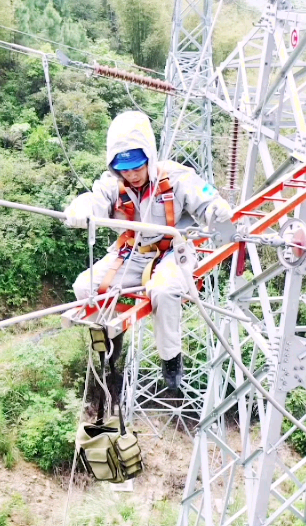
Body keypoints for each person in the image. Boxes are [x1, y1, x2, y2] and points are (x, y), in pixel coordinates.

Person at [63, 111, 232, 393]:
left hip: (172, 252)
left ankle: (171, 358)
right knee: (84, 287)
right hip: (132, 253)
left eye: (137, 167)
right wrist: (80, 210)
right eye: (125, 169)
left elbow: (206, 199)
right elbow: (92, 201)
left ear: (149, 158)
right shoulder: (112, 184)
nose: (132, 175)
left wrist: (218, 211)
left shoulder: (176, 177)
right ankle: (112, 336)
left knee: (164, 293)